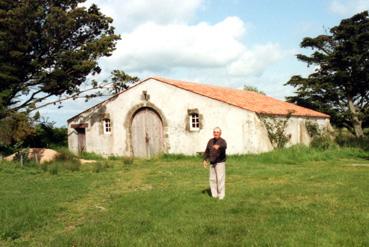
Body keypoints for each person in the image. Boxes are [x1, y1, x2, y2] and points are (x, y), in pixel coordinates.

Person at [203, 127, 227, 200]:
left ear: (220, 133)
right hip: (212, 162)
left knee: (220, 179)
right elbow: (207, 151)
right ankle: (214, 195)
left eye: (217, 132)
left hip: (220, 163)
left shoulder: (222, 141)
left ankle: (221, 195)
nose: (216, 133)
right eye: (214, 132)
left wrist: (219, 146)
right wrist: (205, 159)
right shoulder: (210, 141)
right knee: (212, 179)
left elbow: (224, 147)